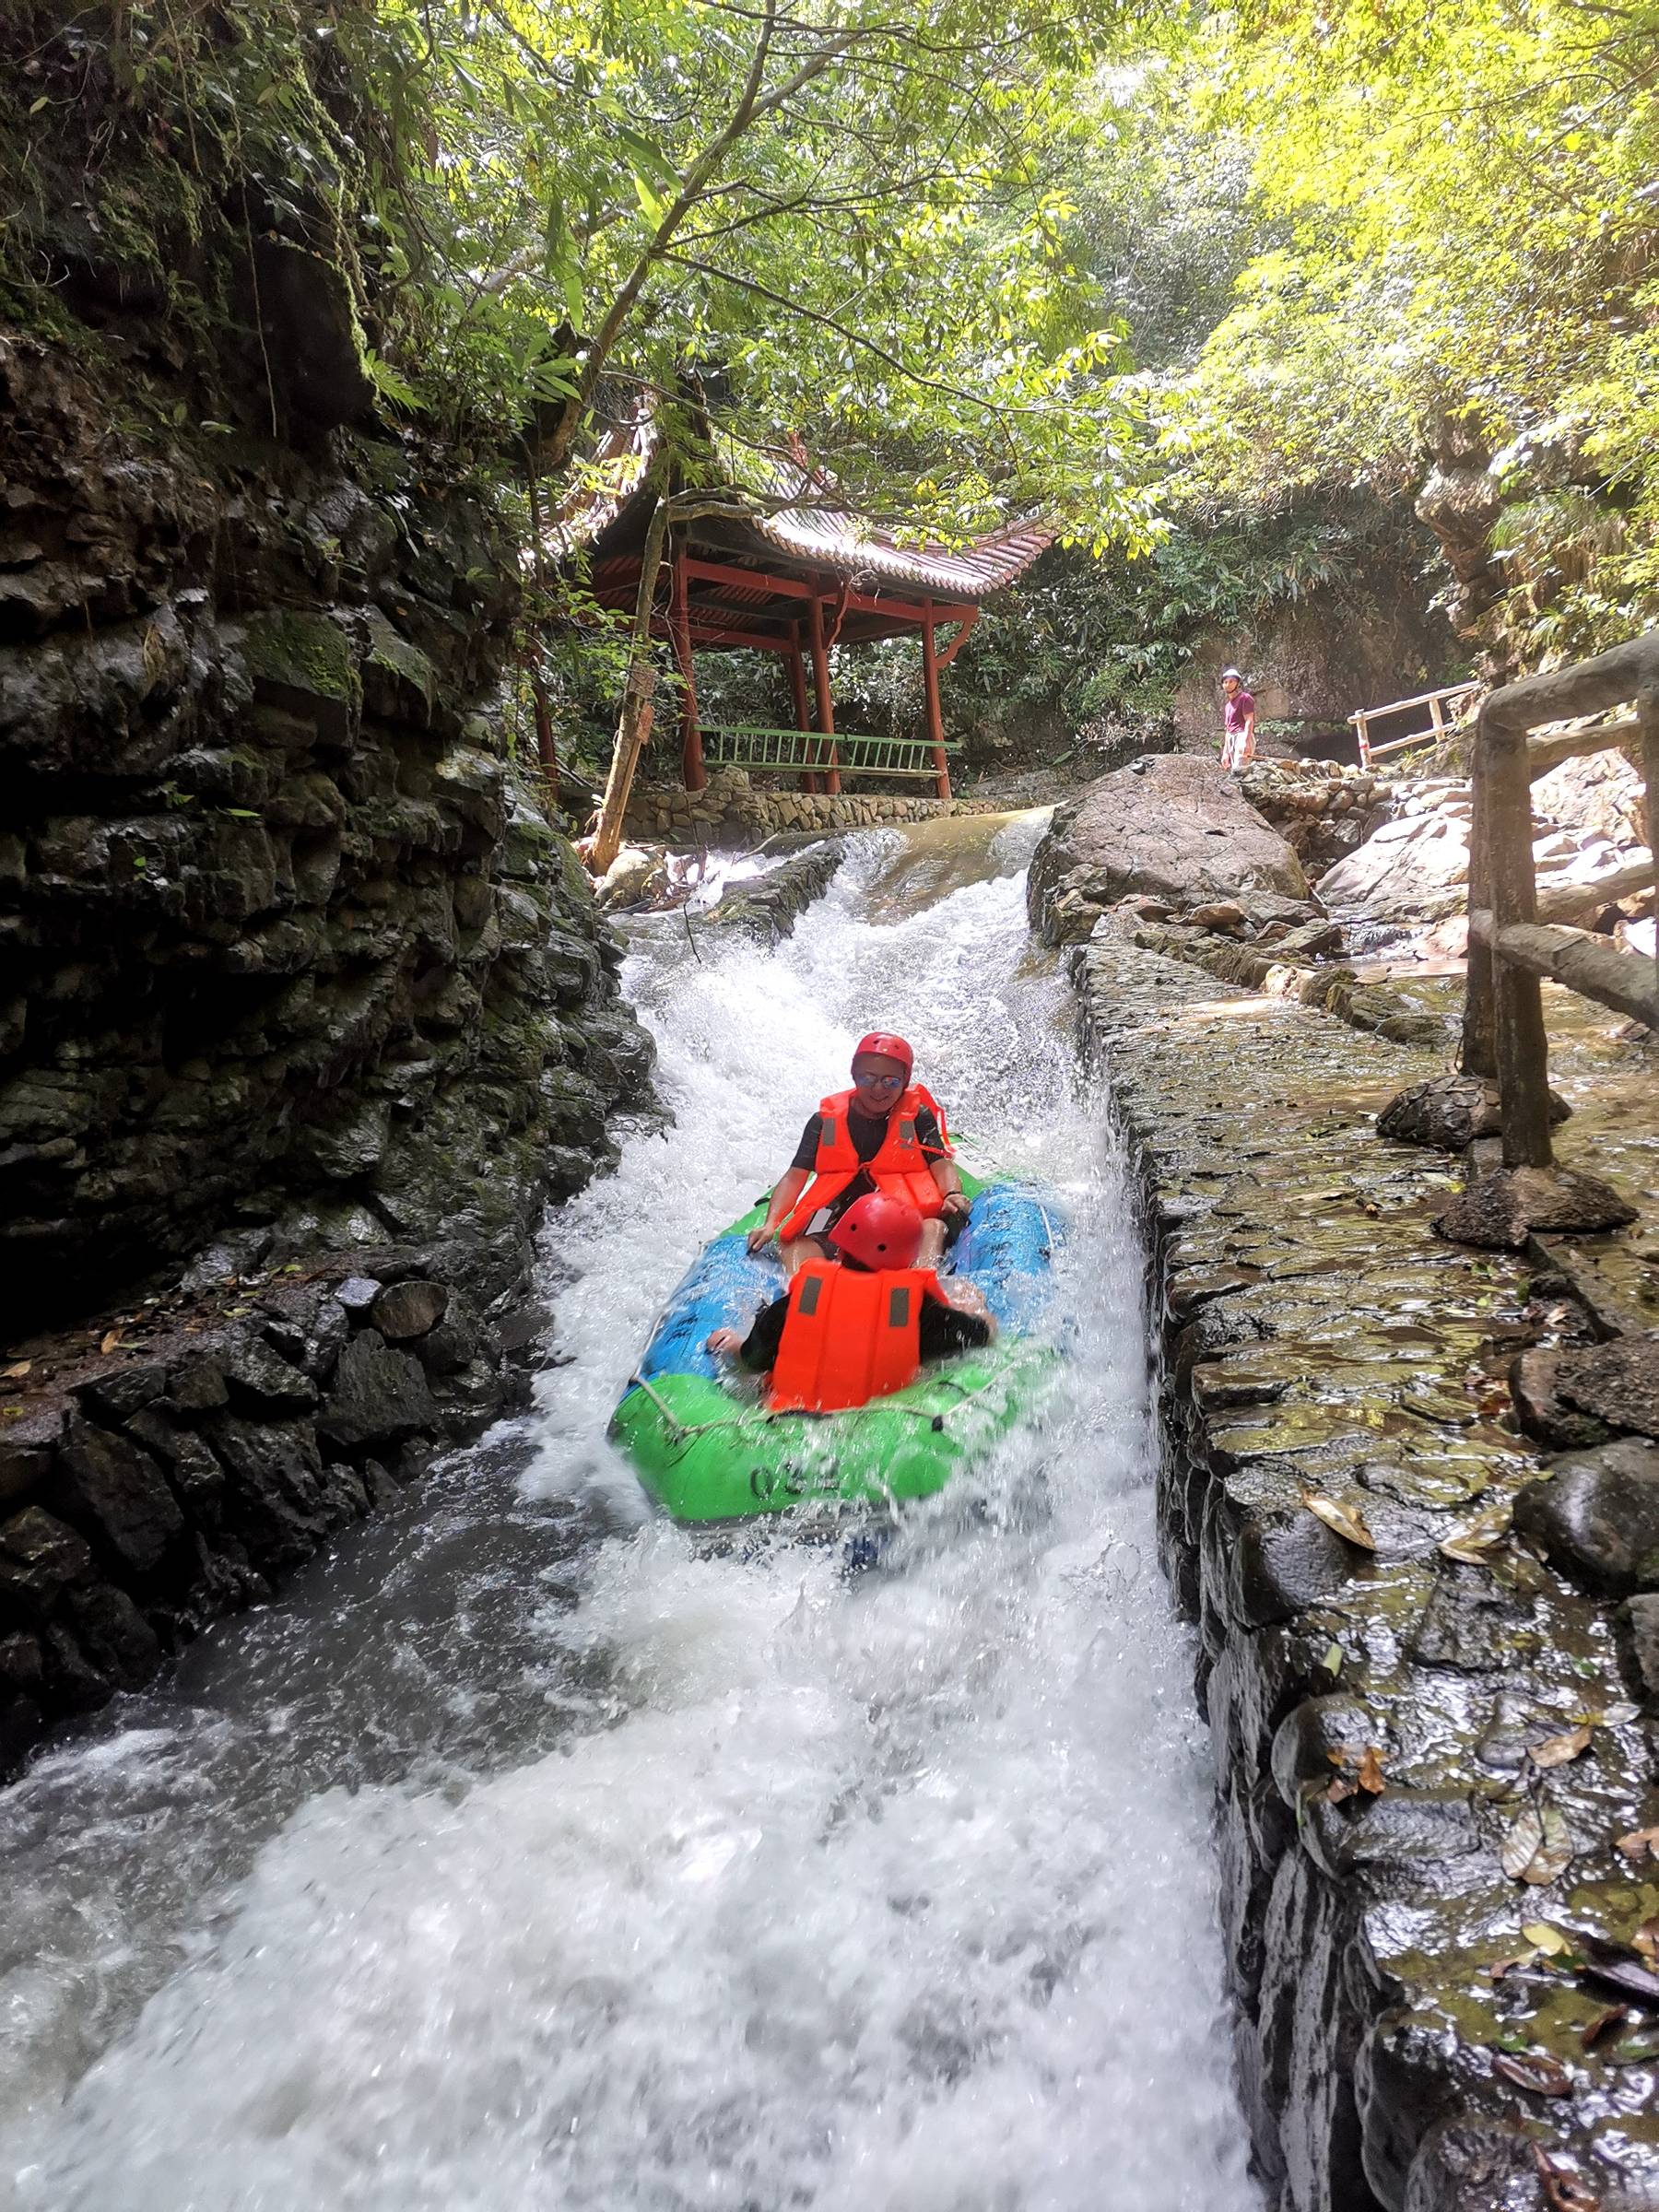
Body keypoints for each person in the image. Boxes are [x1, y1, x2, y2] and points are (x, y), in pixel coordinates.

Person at [708, 1192, 994, 1413]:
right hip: (875, 1430)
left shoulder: (797, 1302)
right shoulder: (919, 1312)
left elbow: (748, 1362)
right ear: (908, 1262)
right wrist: (975, 1307)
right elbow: (985, 1336)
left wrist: (726, 1343)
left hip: (788, 1424)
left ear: (841, 1249)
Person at [746, 1030, 967, 1274]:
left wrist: (951, 1193)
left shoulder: (917, 1117)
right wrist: (770, 1224)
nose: (878, 1089)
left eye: (890, 1081)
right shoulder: (823, 1122)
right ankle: (804, 1296)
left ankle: (920, 1290)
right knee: (795, 1243)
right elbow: (795, 1176)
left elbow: (940, 1163)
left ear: (904, 1081)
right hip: (838, 1211)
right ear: (854, 1076)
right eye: (867, 1078)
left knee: (933, 1227)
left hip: (899, 1215)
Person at [1220, 666, 1256, 771]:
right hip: (1231, 737)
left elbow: (1249, 720)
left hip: (1242, 735)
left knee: (1239, 770)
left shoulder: (1245, 698)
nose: (1228, 684)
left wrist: (1246, 741)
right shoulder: (1228, 706)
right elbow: (1228, 729)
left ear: (1238, 684)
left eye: (1231, 681)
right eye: (1225, 682)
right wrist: (1225, 753)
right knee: (1233, 771)